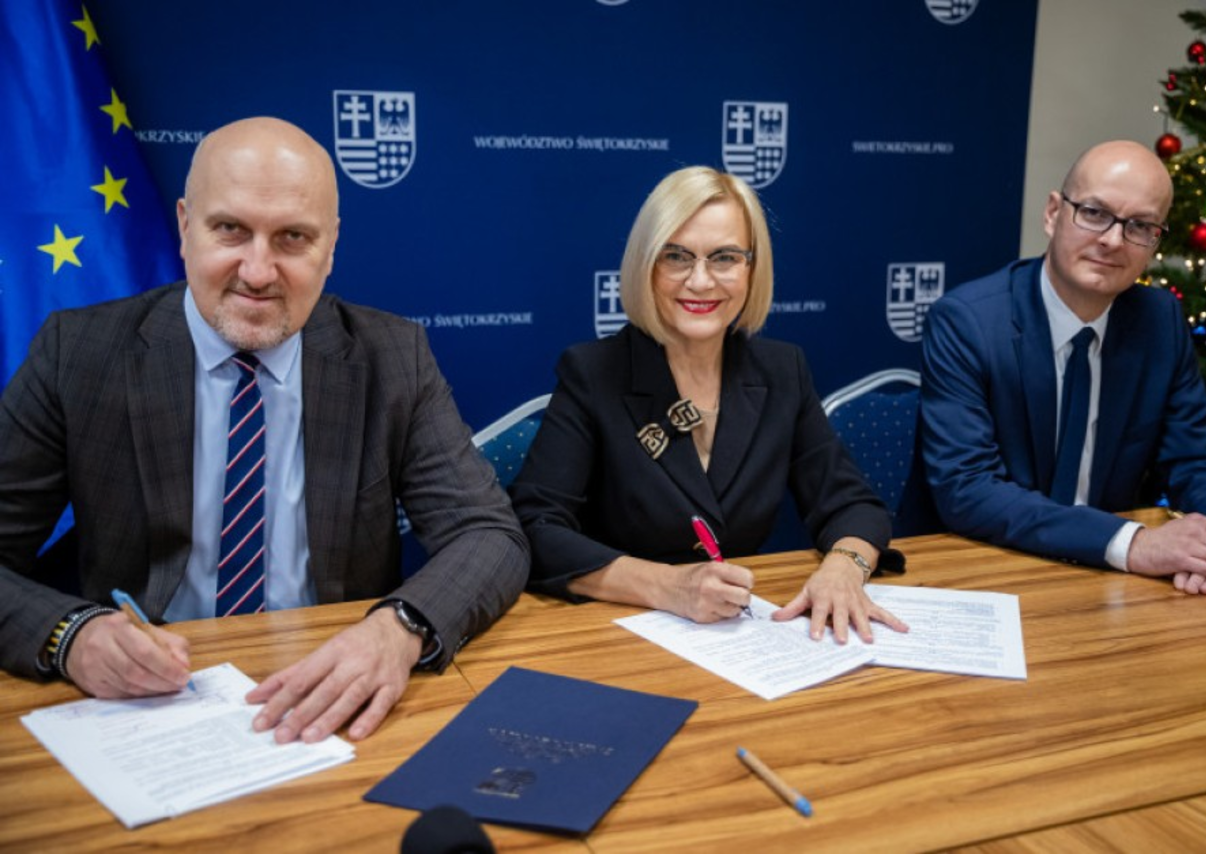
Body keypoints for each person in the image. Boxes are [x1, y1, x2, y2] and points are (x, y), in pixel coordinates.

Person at [0, 117, 528, 742]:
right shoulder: (78, 353)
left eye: (292, 238)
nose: (257, 271)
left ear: (330, 247)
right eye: (230, 229)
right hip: (145, 706)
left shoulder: (393, 357)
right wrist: (69, 636)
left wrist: (398, 628)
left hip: (332, 694)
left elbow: (487, 534)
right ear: (184, 227)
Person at [510, 166, 907, 643]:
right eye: (676, 257)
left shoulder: (783, 370)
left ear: (751, 269)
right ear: (646, 265)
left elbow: (852, 504)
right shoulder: (593, 373)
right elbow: (534, 528)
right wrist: (667, 586)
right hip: (618, 633)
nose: (700, 281)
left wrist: (844, 568)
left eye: (724, 258)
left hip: (742, 634)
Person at [920, 140, 1206, 594]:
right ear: (1053, 213)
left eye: (1139, 225)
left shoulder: (1159, 320)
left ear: (1156, 241)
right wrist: (1133, 543)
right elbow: (968, 489)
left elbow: (1197, 459)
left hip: (1108, 588)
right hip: (990, 571)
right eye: (1095, 213)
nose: (1112, 240)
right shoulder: (969, 322)